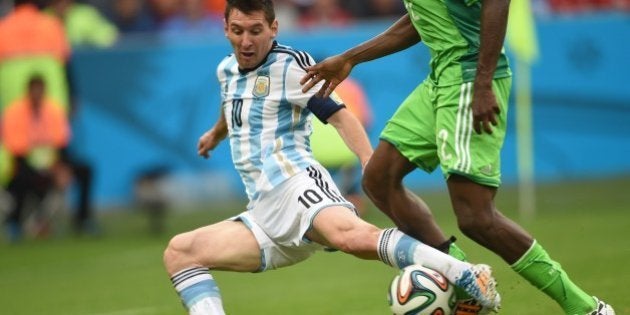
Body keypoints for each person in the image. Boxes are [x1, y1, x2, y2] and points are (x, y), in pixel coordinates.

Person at [162, 1, 501, 314]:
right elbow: (233, 103)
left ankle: (467, 274)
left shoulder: (292, 67)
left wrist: (369, 161)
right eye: (238, 31)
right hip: (263, 212)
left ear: (274, 28)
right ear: (225, 28)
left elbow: (341, 116)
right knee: (181, 253)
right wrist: (216, 133)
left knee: (352, 237)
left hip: (296, 184)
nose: (246, 41)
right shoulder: (227, 70)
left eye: (255, 30)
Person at [300, 4, 616, 315]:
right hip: (439, 79)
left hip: (469, 78)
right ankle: (465, 276)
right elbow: (420, 19)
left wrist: (482, 84)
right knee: (378, 179)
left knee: (476, 217)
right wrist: (350, 58)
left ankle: (585, 308)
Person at [1, 74, 72, 242]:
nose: (38, 94)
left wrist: (60, 167)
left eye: (41, 91)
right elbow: (16, 149)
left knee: (84, 170)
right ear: (28, 91)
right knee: (22, 179)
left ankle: (83, 221)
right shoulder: (15, 112)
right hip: (21, 165)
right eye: (35, 91)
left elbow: (61, 142)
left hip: (50, 164)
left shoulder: (53, 110)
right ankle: (15, 223)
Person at [310, 77, 373, 216]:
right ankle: (354, 219)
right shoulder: (351, 87)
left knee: (318, 190)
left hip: (315, 151)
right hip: (346, 151)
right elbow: (367, 120)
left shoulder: (305, 85)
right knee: (351, 192)